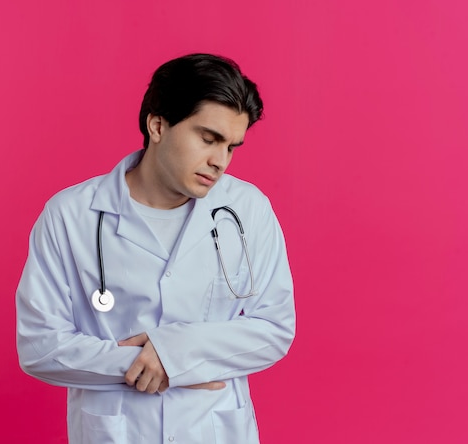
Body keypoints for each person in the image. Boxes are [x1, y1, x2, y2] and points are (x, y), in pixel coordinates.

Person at [16, 53, 295, 443]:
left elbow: (274, 329)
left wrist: (178, 350)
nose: (220, 162)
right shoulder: (71, 215)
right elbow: (39, 347)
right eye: (208, 138)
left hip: (213, 430)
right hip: (116, 432)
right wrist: (150, 363)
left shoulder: (248, 210)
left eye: (232, 146)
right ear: (158, 125)